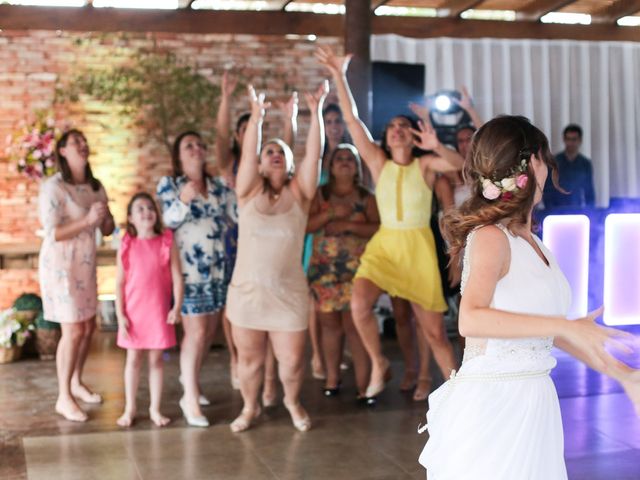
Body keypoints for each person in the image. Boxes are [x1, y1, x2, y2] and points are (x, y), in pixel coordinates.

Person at [419, 115, 640, 478]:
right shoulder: (491, 237)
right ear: (531, 164)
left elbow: (545, 334)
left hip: (535, 402)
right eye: (544, 156)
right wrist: (563, 324)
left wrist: (624, 374)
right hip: (496, 407)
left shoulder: (533, 242)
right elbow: (470, 318)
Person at [317, 46, 464, 400]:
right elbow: (351, 121)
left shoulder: (426, 165)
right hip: (386, 245)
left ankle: (462, 396)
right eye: (392, 126)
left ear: (413, 135)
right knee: (359, 303)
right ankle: (379, 363)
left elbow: (461, 165)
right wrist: (338, 74)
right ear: (385, 136)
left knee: (435, 335)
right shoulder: (378, 163)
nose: (397, 129)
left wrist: (437, 145)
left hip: (417, 249)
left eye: (404, 125)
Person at [225, 81, 328, 433]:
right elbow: (247, 149)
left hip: (288, 295)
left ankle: (292, 401)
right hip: (247, 294)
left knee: (292, 362)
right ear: (258, 161)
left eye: (281, 151)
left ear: (287, 163)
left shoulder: (300, 195)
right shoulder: (247, 191)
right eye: (268, 151)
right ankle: (250, 407)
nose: (274, 154)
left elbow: (313, 155)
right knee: (250, 362)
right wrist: (256, 117)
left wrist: (316, 114)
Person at [215, 71, 297, 405]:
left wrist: (289, 119)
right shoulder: (234, 163)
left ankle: (268, 383)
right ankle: (239, 358)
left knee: (270, 300)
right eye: (244, 128)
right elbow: (220, 135)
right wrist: (225, 98)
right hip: (235, 236)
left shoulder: (271, 163)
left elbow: (289, 152)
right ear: (240, 134)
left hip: (269, 235)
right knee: (236, 305)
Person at [38, 129, 115, 422]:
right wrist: (87, 220)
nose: (83, 145)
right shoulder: (54, 187)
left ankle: (76, 381)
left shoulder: (96, 186)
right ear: (62, 151)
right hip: (61, 267)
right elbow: (53, 232)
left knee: (87, 328)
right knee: (71, 331)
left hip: (86, 264)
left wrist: (106, 219)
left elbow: (106, 229)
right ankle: (63, 397)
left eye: (84, 140)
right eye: (75, 142)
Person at [156, 131, 229, 427]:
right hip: (188, 272)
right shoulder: (169, 185)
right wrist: (184, 199)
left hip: (217, 268)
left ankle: (193, 383)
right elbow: (168, 221)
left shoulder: (218, 186)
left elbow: (235, 213)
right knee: (196, 333)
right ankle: (189, 398)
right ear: (178, 155)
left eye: (200, 144)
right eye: (189, 145)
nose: (197, 149)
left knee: (209, 333)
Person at [306, 144, 377, 400]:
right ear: (331, 166)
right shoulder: (320, 194)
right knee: (329, 327)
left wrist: (348, 224)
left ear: (357, 166)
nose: (345, 162)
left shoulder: (366, 196)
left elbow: (377, 228)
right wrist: (331, 215)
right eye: (340, 159)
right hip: (324, 271)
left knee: (354, 327)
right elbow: (306, 226)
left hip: (356, 272)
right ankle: (332, 379)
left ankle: (363, 385)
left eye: (350, 158)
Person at [115, 192, 183, 428]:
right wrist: (120, 314)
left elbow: (177, 277)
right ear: (131, 218)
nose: (146, 212)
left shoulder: (166, 240)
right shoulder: (127, 243)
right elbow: (119, 283)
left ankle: (155, 408)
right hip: (133, 312)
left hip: (157, 312)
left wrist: (177, 306)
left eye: (150, 207)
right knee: (133, 359)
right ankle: (130, 407)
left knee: (156, 360)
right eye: (140, 209)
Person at [543, 123, 596, 209]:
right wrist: (550, 209)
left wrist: (591, 212)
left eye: (574, 139)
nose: (571, 143)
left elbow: (589, 191)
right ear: (564, 139)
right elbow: (548, 188)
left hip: (577, 209)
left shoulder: (585, 163)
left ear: (580, 140)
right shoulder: (554, 162)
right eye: (568, 139)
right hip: (555, 210)